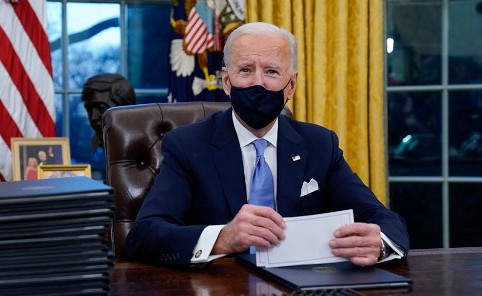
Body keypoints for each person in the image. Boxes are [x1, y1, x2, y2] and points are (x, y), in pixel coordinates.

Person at [125, 22, 410, 267]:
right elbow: (145, 235)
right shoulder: (187, 146)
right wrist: (223, 238)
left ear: (292, 85)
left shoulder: (320, 144)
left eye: (272, 72)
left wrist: (380, 244)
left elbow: (383, 219)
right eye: (246, 70)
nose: (257, 83)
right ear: (226, 81)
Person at [82, 74, 136, 181]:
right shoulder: (83, 151)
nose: (93, 117)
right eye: (89, 109)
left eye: (101, 108)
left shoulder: (145, 148)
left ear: (124, 109)